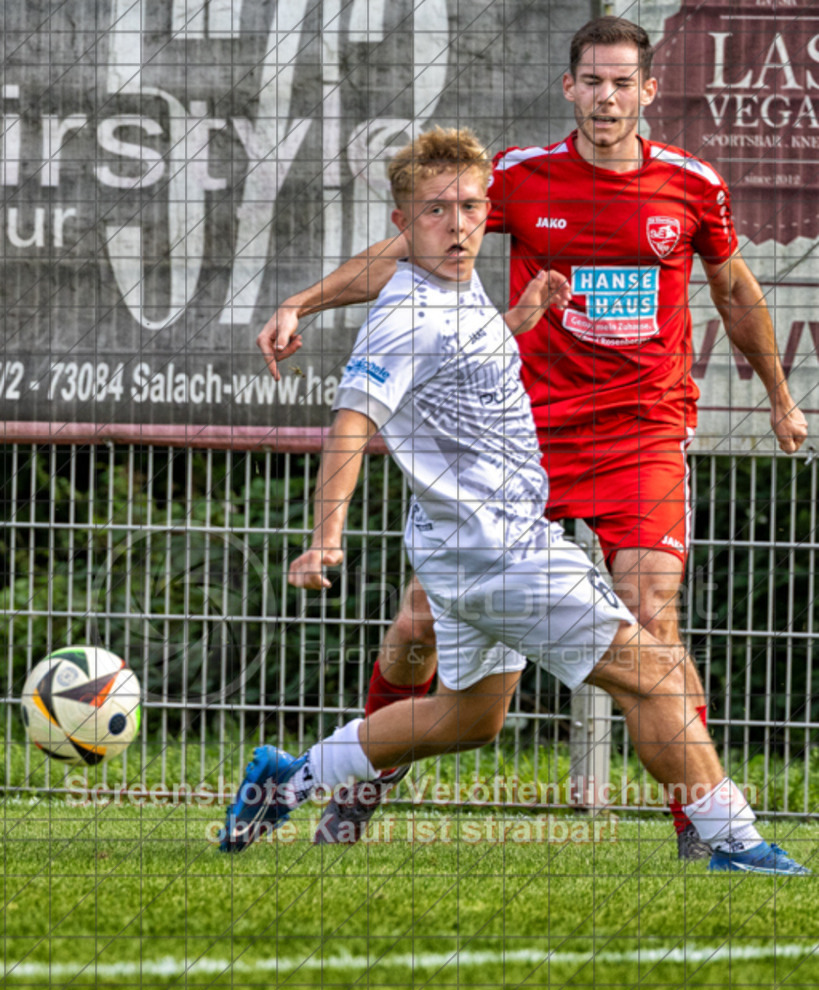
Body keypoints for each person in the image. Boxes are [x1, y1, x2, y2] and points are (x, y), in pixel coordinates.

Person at [255, 17, 808, 855]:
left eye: (623, 82)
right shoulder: (517, 178)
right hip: (528, 437)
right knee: (418, 628)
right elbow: (403, 249)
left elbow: (733, 291)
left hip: (642, 433)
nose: (606, 97)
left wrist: (777, 396)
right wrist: (303, 300)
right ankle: (356, 783)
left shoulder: (691, 186)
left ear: (649, 91)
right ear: (569, 88)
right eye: (592, 80)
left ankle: (701, 823)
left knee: (651, 617)